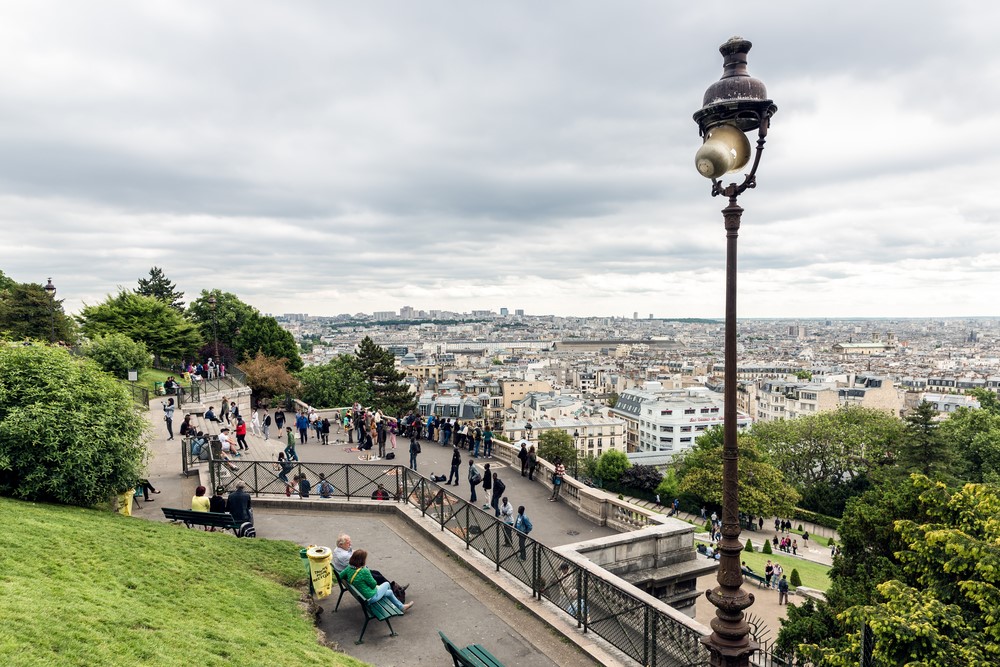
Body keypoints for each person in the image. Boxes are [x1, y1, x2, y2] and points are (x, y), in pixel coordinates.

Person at [339, 550, 413, 614]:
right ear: (362, 561)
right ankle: (395, 598)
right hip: (370, 597)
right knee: (387, 584)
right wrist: (366, 570)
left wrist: (351, 580)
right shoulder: (364, 571)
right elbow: (373, 584)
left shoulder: (349, 568)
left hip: (362, 596)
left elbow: (341, 576)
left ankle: (401, 607)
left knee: (389, 592)